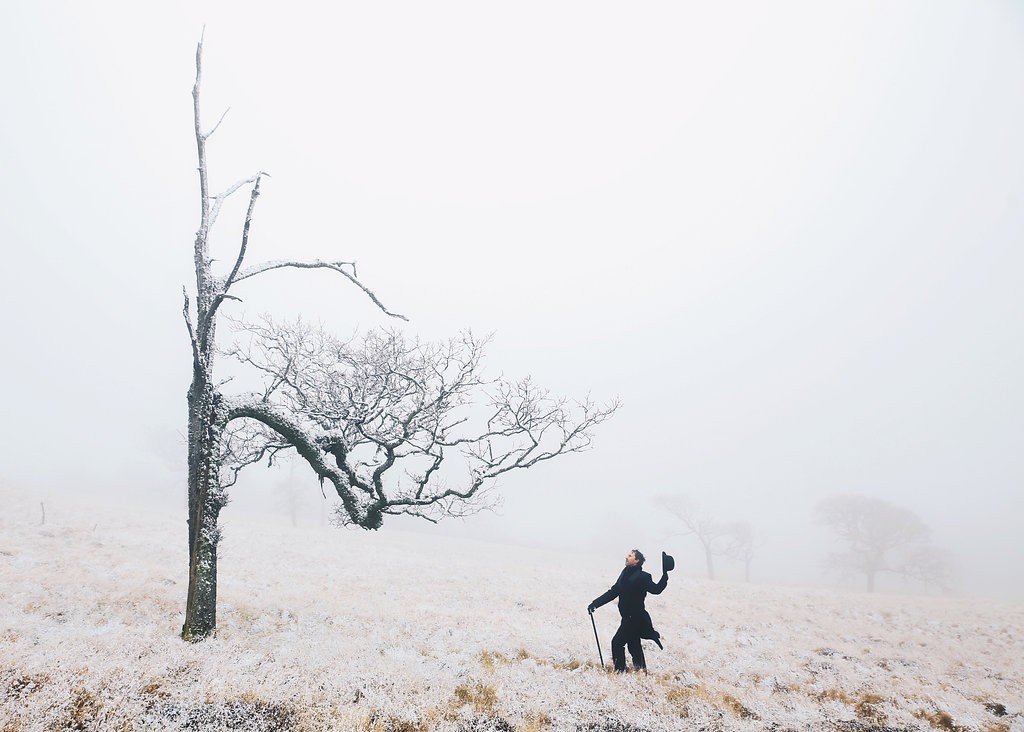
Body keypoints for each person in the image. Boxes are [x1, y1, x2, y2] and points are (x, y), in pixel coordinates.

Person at [588, 548, 673, 673]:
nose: (626, 557)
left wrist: (665, 575)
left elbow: (656, 589)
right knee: (634, 646)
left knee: (617, 643)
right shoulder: (624, 573)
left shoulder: (643, 577)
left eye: (630, 556)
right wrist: (595, 604)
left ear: (637, 560)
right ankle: (641, 672)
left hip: (635, 617)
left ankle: (620, 672)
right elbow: (613, 592)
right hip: (626, 617)